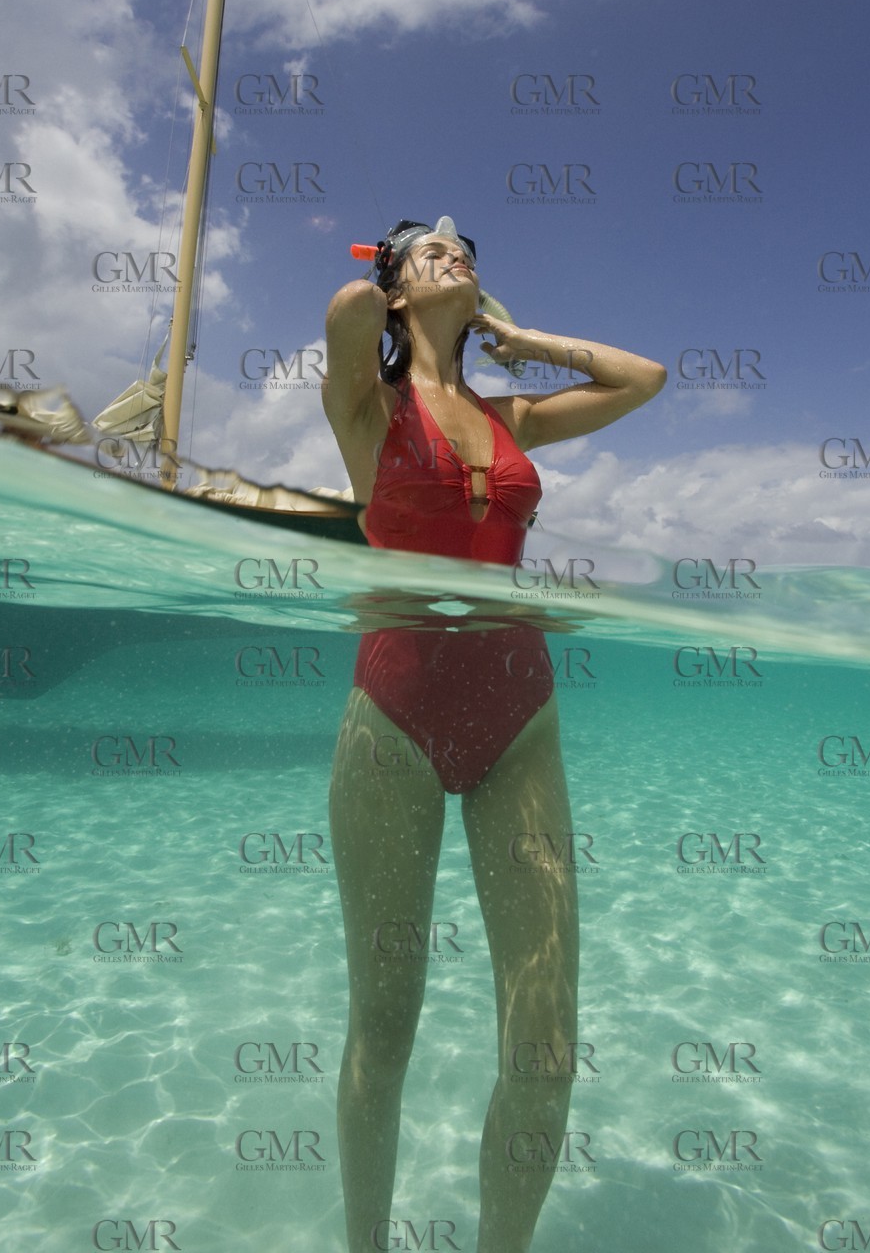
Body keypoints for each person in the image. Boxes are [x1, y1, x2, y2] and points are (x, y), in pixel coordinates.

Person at [322, 218, 666, 1253]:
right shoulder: (367, 407)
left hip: (521, 718)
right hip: (392, 720)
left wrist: (522, 340)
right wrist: (399, 260)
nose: (454, 248)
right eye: (431, 250)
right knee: (385, 1030)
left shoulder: (508, 413)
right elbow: (345, 312)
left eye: (466, 245)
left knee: (546, 1048)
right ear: (395, 289)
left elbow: (642, 378)